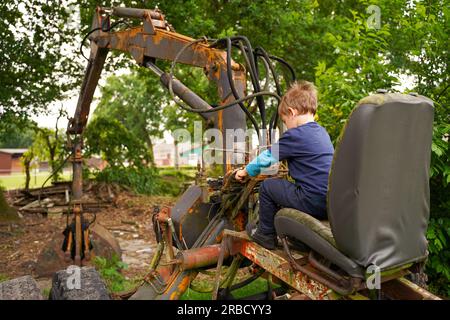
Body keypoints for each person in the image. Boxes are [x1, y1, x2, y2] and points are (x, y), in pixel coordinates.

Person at [235, 81, 334, 249]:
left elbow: (267, 157)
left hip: (310, 200)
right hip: (329, 202)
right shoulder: (321, 132)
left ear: (292, 112)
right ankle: (297, 237)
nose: (286, 126)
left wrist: (245, 171)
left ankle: (265, 234)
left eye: (284, 120)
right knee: (289, 187)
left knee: (268, 187)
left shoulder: (295, 135)